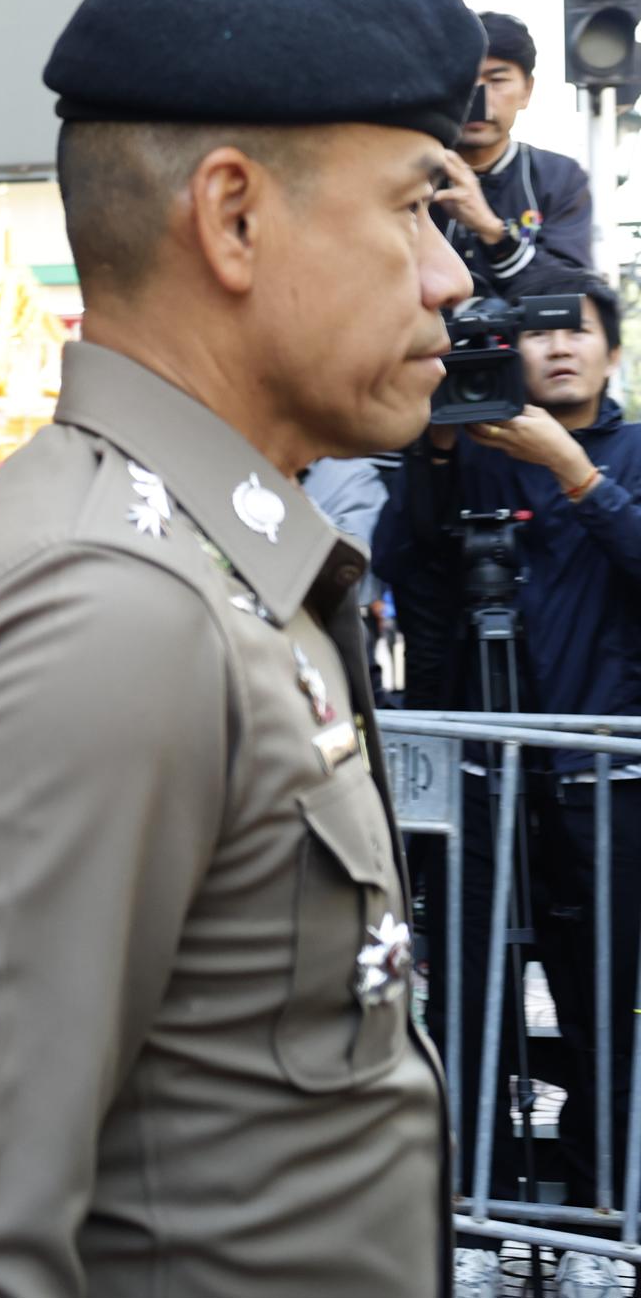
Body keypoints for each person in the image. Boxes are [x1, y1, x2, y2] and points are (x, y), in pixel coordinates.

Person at [0, 0, 477, 1297]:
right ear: (233, 218)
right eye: (415, 210)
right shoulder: (111, 612)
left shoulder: (202, 555)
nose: (450, 279)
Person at [373, 267, 641, 1298]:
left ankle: (603, 1200)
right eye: (541, 334)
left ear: (610, 351)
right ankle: (472, 1204)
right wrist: (436, 448)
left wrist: (575, 471)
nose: (560, 347)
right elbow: (403, 561)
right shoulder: (476, 457)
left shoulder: (622, 452)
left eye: (580, 332)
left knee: (601, 999)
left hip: (603, 778)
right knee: (472, 992)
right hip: (485, 774)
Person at [435, 11, 591, 298]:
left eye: (496, 80)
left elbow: (570, 291)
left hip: (522, 343)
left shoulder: (560, 177)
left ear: (526, 91)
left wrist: (491, 230)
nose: (478, 96)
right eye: (465, 81)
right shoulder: (414, 175)